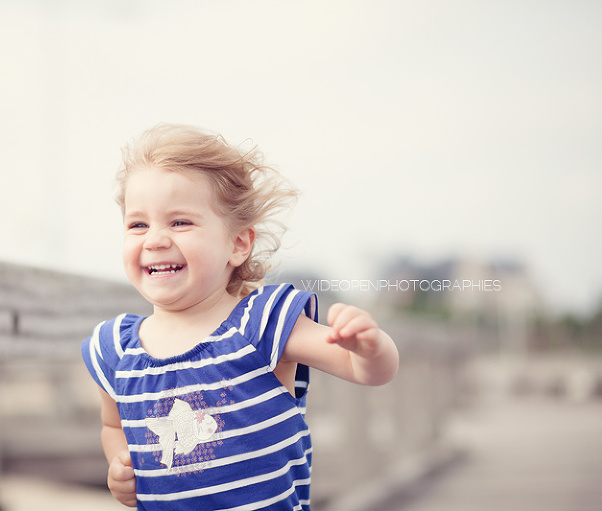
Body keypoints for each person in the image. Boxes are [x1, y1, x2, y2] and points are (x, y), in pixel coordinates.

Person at [81, 124, 399, 510]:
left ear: (237, 244)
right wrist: (119, 466)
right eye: (138, 224)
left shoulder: (261, 324)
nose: (155, 239)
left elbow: (367, 370)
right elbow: (114, 424)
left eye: (180, 221)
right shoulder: (116, 350)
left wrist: (369, 347)